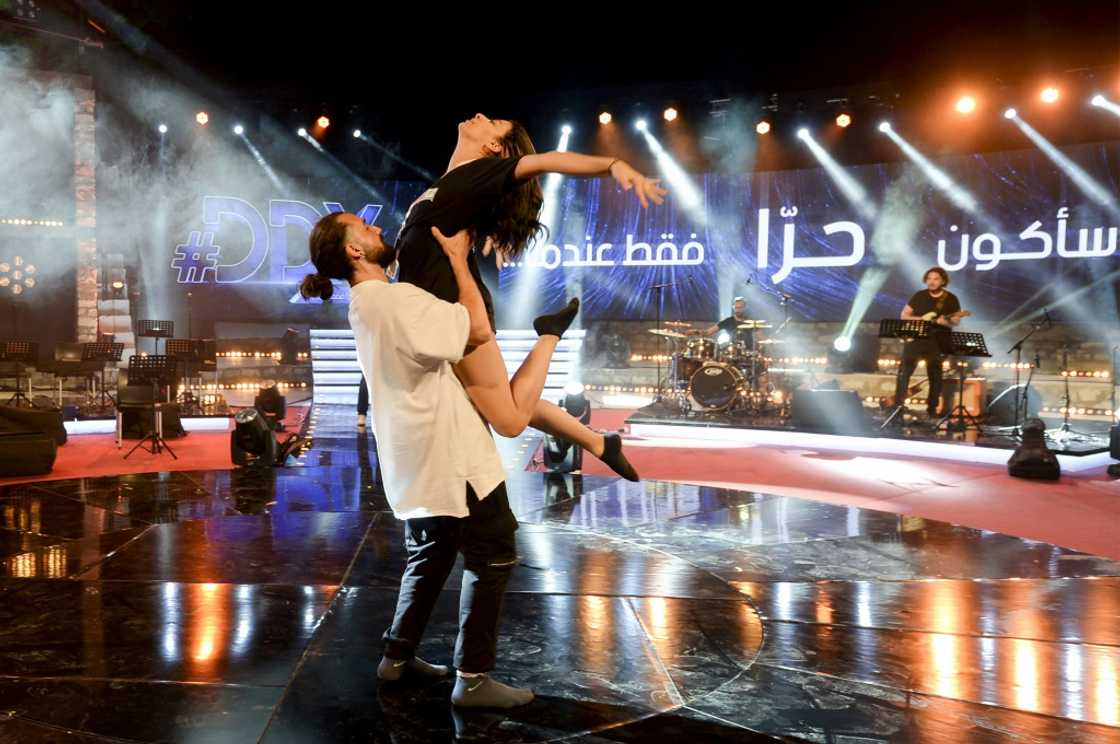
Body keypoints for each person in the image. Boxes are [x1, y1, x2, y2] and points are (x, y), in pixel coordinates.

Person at [300, 214, 546, 708]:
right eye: (363, 228)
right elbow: (477, 329)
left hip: (411, 459)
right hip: (451, 456)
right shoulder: (394, 301)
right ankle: (472, 679)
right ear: (353, 251)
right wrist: (459, 260)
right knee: (493, 553)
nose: (377, 230)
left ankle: (396, 657)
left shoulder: (366, 305)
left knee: (430, 554)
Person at [393, 114, 667, 480]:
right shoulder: (446, 186)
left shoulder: (477, 172)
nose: (480, 115)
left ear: (494, 146)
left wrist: (613, 164)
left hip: (460, 314)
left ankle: (549, 335)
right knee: (503, 404)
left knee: (508, 421)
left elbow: (548, 160)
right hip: (433, 315)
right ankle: (600, 443)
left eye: (493, 121)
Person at [895, 266, 963, 420]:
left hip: (937, 342)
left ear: (943, 281)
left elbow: (956, 321)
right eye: (929, 279)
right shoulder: (919, 295)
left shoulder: (951, 298)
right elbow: (904, 315)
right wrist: (922, 319)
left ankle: (931, 409)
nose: (931, 282)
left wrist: (945, 322)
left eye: (936, 279)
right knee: (904, 373)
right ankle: (898, 407)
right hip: (916, 339)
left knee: (935, 376)